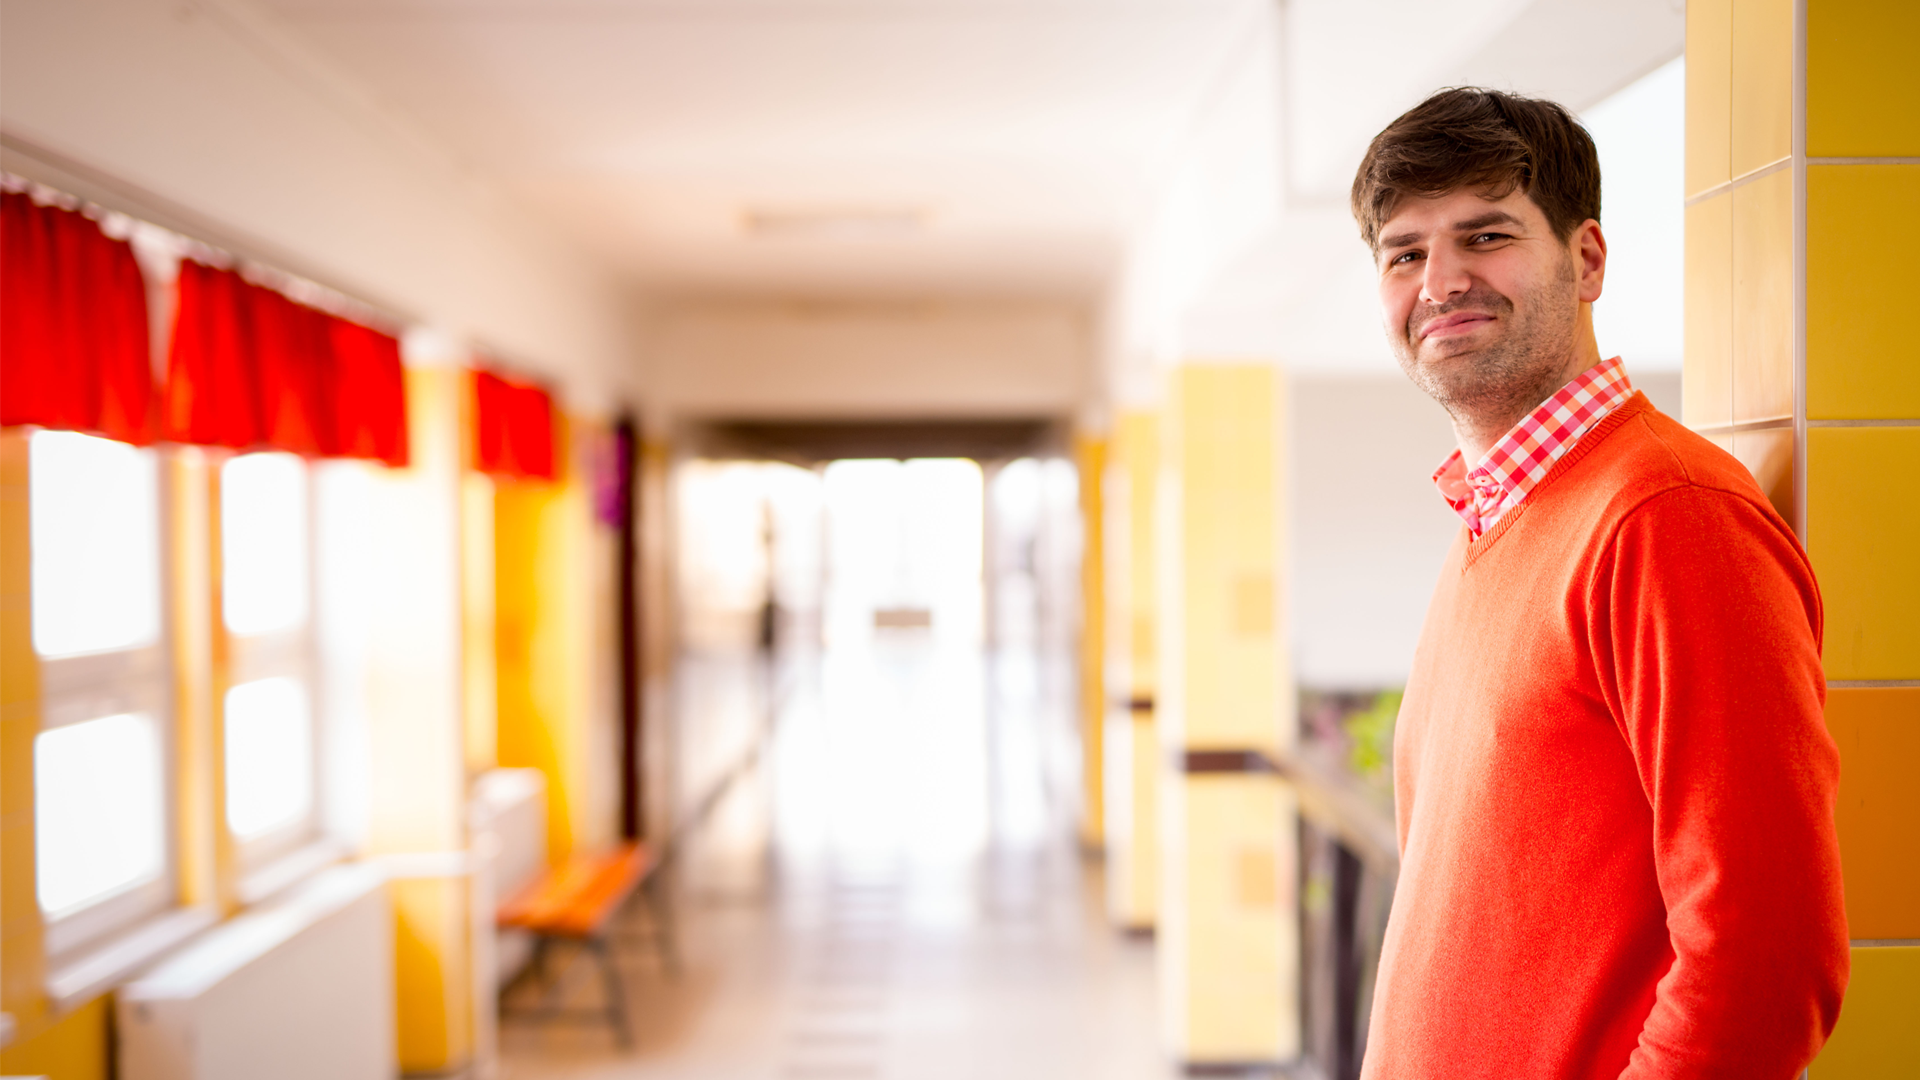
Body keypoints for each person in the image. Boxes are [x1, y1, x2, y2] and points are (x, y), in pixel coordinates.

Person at [1349, 88, 1848, 1078]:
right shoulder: (1497, 516)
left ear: (1586, 260)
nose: (1440, 281)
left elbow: (1764, 959)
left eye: (1485, 236)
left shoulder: (1668, 517)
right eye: (1404, 254)